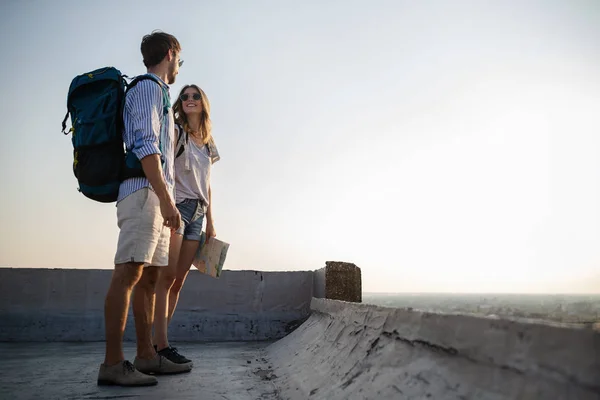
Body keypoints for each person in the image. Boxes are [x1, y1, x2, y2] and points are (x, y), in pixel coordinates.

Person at [97, 30, 191, 387]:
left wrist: (166, 199)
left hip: (155, 195)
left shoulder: (161, 94)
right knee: (128, 274)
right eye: (179, 59)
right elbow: (145, 146)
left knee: (150, 278)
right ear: (170, 54)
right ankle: (112, 363)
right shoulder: (148, 89)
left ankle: (146, 357)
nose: (179, 66)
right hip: (142, 194)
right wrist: (167, 201)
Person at [153, 84, 220, 365]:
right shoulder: (176, 133)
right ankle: (157, 346)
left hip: (199, 214)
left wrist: (211, 222)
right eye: (185, 96)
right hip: (178, 209)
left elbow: (208, 183)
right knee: (166, 278)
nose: (190, 100)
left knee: (179, 282)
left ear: (203, 103)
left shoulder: (208, 142)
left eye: (195, 96)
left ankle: (161, 342)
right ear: (179, 104)